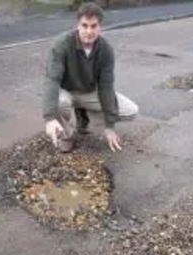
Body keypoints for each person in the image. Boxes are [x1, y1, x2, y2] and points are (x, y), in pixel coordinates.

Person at [42, 2, 139, 153]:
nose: (89, 31)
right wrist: (49, 118)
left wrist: (109, 126)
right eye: (84, 25)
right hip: (66, 91)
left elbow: (106, 87)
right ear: (78, 25)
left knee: (131, 111)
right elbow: (51, 80)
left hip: (89, 92)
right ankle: (67, 135)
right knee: (60, 102)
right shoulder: (61, 44)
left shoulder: (105, 50)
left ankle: (84, 114)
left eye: (93, 26)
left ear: (100, 26)